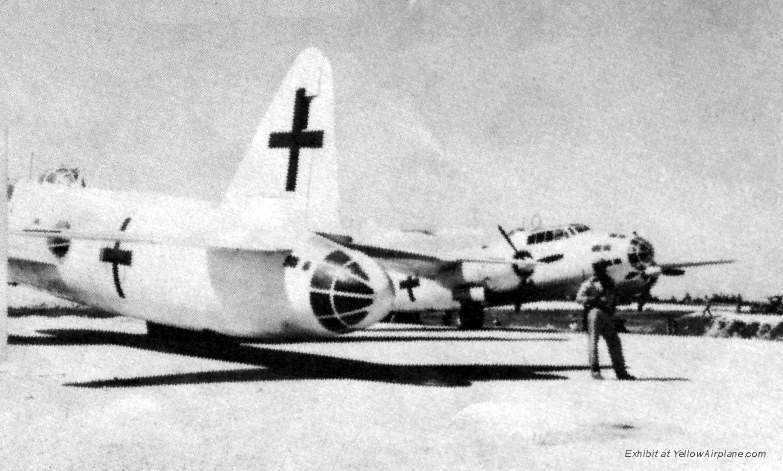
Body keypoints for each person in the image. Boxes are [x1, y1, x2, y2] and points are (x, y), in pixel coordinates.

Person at [576, 261, 636, 380]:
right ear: (596, 270)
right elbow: (579, 298)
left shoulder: (610, 282)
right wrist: (594, 299)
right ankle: (596, 371)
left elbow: (615, 297)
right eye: (600, 269)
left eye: (603, 268)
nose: (602, 271)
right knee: (594, 342)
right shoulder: (589, 283)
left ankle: (620, 372)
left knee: (614, 342)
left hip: (607, 314)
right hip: (594, 313)